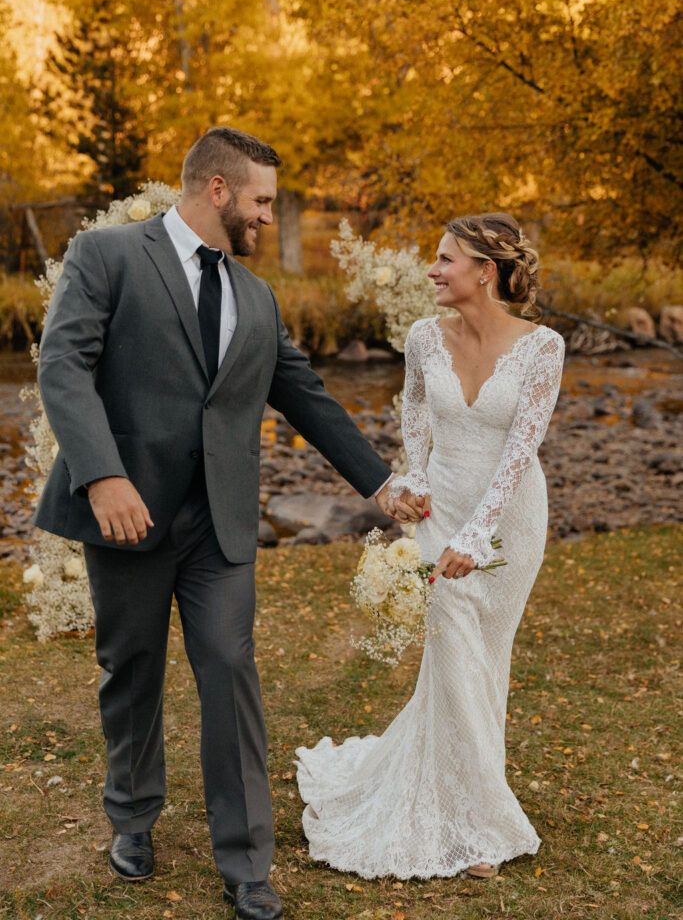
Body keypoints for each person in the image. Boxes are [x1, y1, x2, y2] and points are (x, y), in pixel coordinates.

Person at [33, 126, 422, 920]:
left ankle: (246, 862)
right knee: (132, 671)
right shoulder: (108, 257)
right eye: (261, 201)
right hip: (128, 516)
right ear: (217, 189)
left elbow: (305, 395)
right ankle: (132, 817)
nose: (265, 216)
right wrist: (102, 475)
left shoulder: (256, 295)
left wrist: (380, 483)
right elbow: (62, 366)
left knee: (230, 674)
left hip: (222, 526)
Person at [296, 213, 565, 881]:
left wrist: (479, 535)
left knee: (485, 656)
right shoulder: (422, 337)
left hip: (508, 518)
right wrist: (413, 475)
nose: (431, 270)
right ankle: (478, 825)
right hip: (439, 509)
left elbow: (518, 451)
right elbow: (413, 412)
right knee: (450, 642)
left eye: (445, 259)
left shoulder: (542, 347)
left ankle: (470, 803)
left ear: (484, 271)